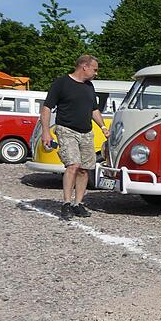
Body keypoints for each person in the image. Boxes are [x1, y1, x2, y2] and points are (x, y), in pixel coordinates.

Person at [40, 54, 110, 220]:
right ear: (84, 66)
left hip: (86, 132)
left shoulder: (89, 86)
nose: (96, 73)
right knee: (73, 165)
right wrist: (45, 131)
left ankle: (77, 204)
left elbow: (94, 110)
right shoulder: (61, 83)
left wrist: (103, 127)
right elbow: (47, 108)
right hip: (66, 130)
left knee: (84, 169)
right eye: (95, 69)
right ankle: (66, 203)